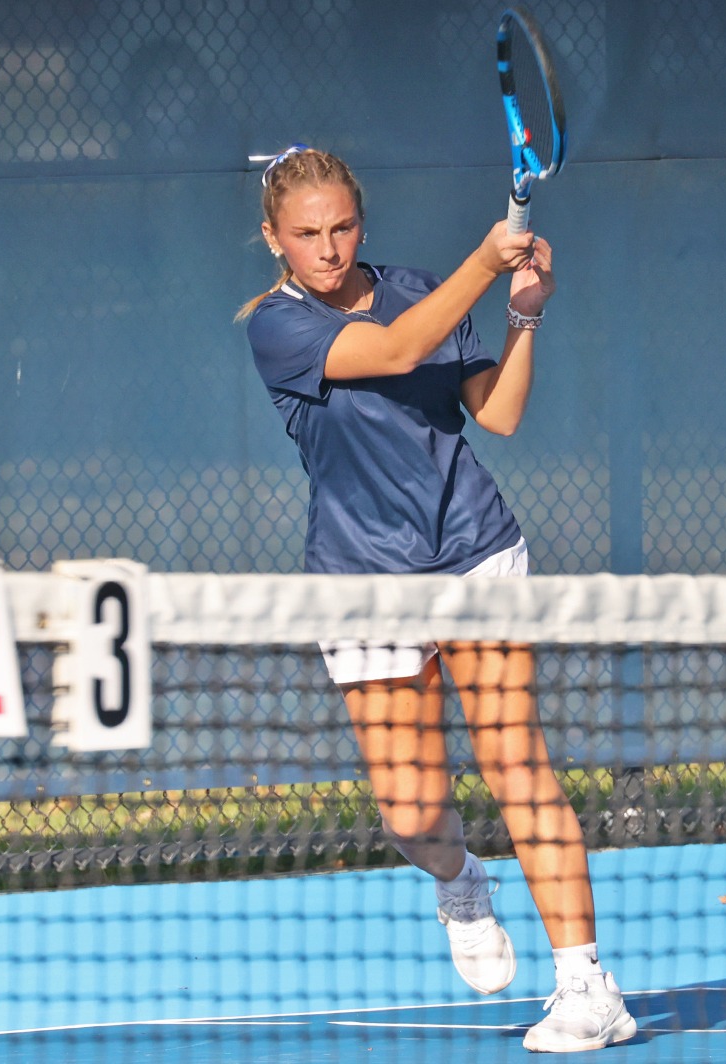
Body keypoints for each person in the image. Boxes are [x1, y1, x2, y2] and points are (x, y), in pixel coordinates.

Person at [238, 145, 637, 1054]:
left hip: (474, 556)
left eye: (342, 228)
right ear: (274, 240)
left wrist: (525, 317)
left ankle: (587, 983)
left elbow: (495, 415)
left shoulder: (419, 284)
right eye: (307, 234)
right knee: (413, 812)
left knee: (518, 767)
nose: (328, 249)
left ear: (361, 224)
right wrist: (488, 260)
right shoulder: (277, 328)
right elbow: (398, 348)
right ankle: (459, 878)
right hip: (360, 580)